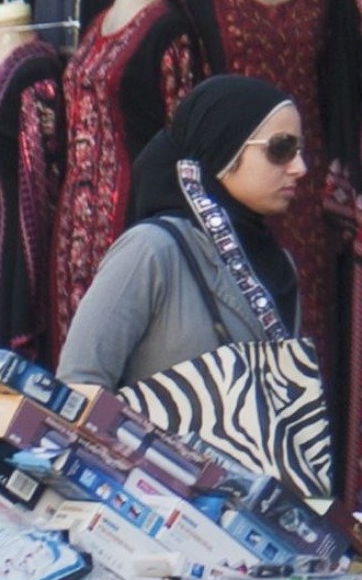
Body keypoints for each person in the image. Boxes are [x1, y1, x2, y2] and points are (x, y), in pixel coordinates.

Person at [58, 75, 311, 387]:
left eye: (299, 149)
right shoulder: (151, 251)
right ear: (223, 146)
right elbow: (79, 386)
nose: (299, 168)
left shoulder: (279, 265)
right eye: (281, 148)